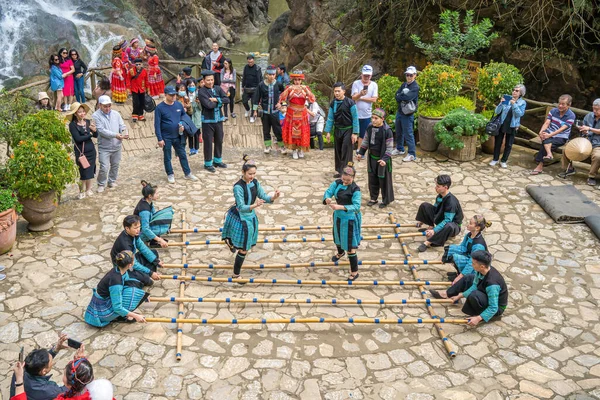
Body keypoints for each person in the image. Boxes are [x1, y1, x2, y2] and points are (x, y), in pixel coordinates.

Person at [221, 155, 281, 279]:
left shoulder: (255, 182)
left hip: (250, 218)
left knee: (245, 245)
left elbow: (263, 196)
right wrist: (255, 205)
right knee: (244, 249)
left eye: (254, 173)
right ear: (243, 172)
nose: (252, 176)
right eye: (250, 174)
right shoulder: (238, 187)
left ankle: (232, 245)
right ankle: (236, 274)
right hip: (241, 218)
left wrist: (274, 197)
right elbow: (241, 206)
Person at [430, 250, 508, 326]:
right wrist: (459, 296)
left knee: (474, 294)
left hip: (497, 308)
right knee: (468, 278)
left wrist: (478, 318)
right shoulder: (481, 270)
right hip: (485, 292)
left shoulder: (492, 284)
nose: (471, 265)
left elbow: (493, 307)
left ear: (482, 266)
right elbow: (474, 286)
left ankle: (485, 316)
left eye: (473, 263)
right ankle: (447, 294)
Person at [85, 250, 149, 327]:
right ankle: (120, 316)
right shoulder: (116, 282)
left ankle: (124, 314)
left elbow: (127, 283)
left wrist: (142, 297)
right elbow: (117, 308)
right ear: (130, 265)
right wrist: (136, 316)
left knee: (135, 291)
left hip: (106, 299)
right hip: (101, 310)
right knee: (132, 295)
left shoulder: (118, 270)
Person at [323, 162, 362, 281]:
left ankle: (354, 272)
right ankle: (340, 253)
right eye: (343, 179)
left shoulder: (355, 189)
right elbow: (329, 191)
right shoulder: (337, 183)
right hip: (338, 217)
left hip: (349, 219)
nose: (345, 182)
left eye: (348, 180)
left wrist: (340, 207)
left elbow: (356, 206)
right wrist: (327, 198)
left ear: (353, 178)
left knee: (350, 247)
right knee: (337, 237)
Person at [155, 86, 198, 183]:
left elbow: (184, 117)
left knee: (182, 154)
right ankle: (170, 174)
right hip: (166, 137)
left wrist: (183, 125)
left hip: (178, 135)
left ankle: (187, 173)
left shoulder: (178, 105)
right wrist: (159, 139)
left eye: (174, 94)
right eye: (171, 95)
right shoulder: (159, 108)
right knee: (167, 156)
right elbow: (157, 124)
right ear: (166, 95)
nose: (173, 96)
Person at [9, 334, 72, 399]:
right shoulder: (48, 390)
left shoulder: (20, 371)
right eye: (51, 362)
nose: (52, 362)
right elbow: (66, 389)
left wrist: (56, 348)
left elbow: (43, 360)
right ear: (44, 371)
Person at [356, 108, 394, 208]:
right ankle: (373, 198)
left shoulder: (387, 130)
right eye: (372, 118)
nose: (373, 120)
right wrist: (361, 153)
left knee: (383, 180)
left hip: (382, 160)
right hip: (372, 158)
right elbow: (365, 140)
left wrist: (384, 159)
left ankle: (385, 200)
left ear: (382, 119)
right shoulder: (369, 127)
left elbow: (389, 147)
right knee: (372, 178)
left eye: (376, 118)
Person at [415, 174, 463, 252]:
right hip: (442, 219)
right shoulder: (440, 196)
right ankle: (430, 228)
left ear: (445, 187)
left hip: (453, 226)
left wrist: (435, 231)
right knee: (425, 206)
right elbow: (435, 209)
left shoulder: (451, 202)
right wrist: (426, 221)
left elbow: (448, 220)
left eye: (438, 186)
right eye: (436, 185)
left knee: (449, 226)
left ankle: (428, 242)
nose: (435, 188)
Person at [110, 215, 162, 287]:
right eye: (135, 228)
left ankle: (144, 273)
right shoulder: (125, 244)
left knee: (154, 254)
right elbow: (133, 263)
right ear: (127, 228)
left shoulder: (134, 233)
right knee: (146, 280)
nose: (138, 229)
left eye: (139, 227)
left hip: (132, 260)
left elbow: (142, 247)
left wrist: (156, 260)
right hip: (125, 266)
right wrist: (150, 273)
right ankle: (144, 275)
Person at [559, 98, 600, 186]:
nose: (594, 111)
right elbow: (583, 126)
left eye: (597, 109)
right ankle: (569, 169)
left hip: (598, 145)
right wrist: (583, 130)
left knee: (597, 156)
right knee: (567, 148)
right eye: (594, 108)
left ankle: (591, 176)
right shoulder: (589, 115)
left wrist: (589, 129)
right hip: (585, 140)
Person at [531, 94, 576, 175]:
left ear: (569, 105)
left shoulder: (571, 115)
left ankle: (540, 164)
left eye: (563, 104)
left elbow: (562, 129)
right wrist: (541, 131)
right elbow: (547, 122)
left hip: (561, 136)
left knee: (546, 141)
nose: (560, 106)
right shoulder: (553, 111)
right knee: (545, 136)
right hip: (549, 133)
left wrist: (549, 135)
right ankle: (549, 155)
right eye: (559, 103)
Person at [92, 95, 127, 193]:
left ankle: (111, 180)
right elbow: (101, 131)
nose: (107, 108)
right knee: (104, 166)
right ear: (99, 105)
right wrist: (116, 135)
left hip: (117, 145)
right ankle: (101, 183)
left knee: (115, 164)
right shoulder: (96, 115)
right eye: (105, 106)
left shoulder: (116, 114)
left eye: (109, 106)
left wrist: (125, 132)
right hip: (104, 146)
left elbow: (122, 125)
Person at [278, 70, 316, 159]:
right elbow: (282, 97)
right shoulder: (289, 88)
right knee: (292, 132)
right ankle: (294, 149)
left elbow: (312, 99)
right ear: (293, 80)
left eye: (299, 80)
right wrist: (287, 91)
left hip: (302, 112)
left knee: (302, 131)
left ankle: (301, 149)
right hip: (291, 112)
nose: (297, 82)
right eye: (295, 80)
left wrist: (306, 90)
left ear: (301, 80)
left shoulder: (305, 88)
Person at [324, 82, 359, 177]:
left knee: (346, 150)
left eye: (339, 91)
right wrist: (327, 132)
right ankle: (340, 171)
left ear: (344, 91)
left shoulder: (350, 103)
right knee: (338, 151)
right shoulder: (333, 103)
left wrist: (355, 132)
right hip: (338, 130)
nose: (337, 93)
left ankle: (347, 171)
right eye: (335, 91)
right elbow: (330, 118)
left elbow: (355, 117)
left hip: (348, 130)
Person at [442, 215, 490, 284]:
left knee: (456, 257)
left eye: (470, 223)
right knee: (452, 251)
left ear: (477, 228)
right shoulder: (469, 235)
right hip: (469, 257)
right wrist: (448, 253)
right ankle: (458, 272)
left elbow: (472, 263)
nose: (468, 225)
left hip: (476, 266)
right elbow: (462, 247)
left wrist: (460, 277)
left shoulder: (478, 245)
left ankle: (462, 276)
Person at [197, 70, 229, 172]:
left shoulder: (218, 88)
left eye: (212, 79)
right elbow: (208, 105)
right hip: (207, 120)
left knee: (219, 139)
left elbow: (227, 99)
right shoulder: (201, 91)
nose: (210, 82)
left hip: (219, 119)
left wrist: (216, 100)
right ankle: (208, 163)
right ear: (204, 80)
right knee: (208, 142)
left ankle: (217, 160)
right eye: (208, 80)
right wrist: (220, 102)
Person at [489, 84, 527, 168]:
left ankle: (503, 160)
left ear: (521, 93)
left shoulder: (522, 102)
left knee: (508, 144)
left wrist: (514, 104)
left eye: (517, 90)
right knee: (498, 142)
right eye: (513, 90)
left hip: (512, 125)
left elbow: (519, 114)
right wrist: (501, 103)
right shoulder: (507, 98)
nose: (514, 91)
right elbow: (497, 111)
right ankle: (495, 159)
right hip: (502, 123)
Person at [67, 102, 97, 199]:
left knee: (90, 171)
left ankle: (88, 189)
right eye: (79, 112)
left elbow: (96, 135)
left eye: (83, 111)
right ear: (75, 114)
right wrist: (89, 134)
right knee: (82, 173)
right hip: (81, 152)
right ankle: (81, 191)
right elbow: (78, 138)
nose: (82, 114)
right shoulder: (72, 125)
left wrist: (95, 131)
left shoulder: (88, 122)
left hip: (91, 151)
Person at [253, 64, 284, 154]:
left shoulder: (278, 84)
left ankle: (282, 146)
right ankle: (267, 146)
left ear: (275, 75)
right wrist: (255, 110)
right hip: (265, 112)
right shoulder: (261, 85)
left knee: (277, 129)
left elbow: (284, 95)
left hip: (275, 111)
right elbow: (256, 98)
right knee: (266, 130)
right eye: (270, 75)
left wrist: (281, 103)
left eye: (273, 75)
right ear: (266, 75)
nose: (271, 76)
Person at [134, 180, 173, 247]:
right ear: (150, 196)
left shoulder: (147, 201)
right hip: (140, 233)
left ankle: (153, 238)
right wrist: (159, 240)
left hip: (145, 225)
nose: (158, 195)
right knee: (163, 227)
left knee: (165, 218)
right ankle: (150, 239)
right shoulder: (144, 211)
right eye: (156, 193)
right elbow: (145, 229)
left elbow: (154, 214)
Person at [393, 66, 420, 162]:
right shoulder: (404, 84)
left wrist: (400, 96)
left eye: (411, 75)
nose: (408, 77)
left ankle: (412, 154)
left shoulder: (415, 87)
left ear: (415, 75)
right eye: (407, 75)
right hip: (400, 112)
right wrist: (401, 96)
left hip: (408, 114)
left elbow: (408, 97)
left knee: (408, 133)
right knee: (398, 131)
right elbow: (396, 96)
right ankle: (399, 148)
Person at [351, 65, 378, 152]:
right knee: (353, 132)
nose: (366, 77)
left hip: (367, 113)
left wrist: (361, 98)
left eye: (368, 75)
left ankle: (360, 150)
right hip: (355, 113)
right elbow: (354, 97)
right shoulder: (356, 83)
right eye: (365, 75)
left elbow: (374, 99)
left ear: (371, 75)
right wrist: (360, 94)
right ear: (361, 74)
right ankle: (350, 149)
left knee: (363, 133)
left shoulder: (374, 85)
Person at [241, 55, 262, 121]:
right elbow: (244, 77)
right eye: (249, 62)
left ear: (253, 61)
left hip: (255, 88)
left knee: (254, 103)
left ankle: (252, 116)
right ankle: (247, 109)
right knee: (244, 101)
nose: (250, 63)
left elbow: (260, 79)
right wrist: (242, 86)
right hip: (247, 88)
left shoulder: (257, 68)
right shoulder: (246, 67)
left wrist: (259, 89)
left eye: (251, 62)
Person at [186, 78, 202, 155]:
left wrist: (199, 103)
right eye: (190, 85)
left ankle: (196, 148)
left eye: (193, 85)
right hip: (188, 115)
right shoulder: (185, 95)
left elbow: (201, 108)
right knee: (190, 133)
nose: (191, 87)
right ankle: (191, 148)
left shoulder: (198, 94)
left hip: (196, 116)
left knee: (196, 133)